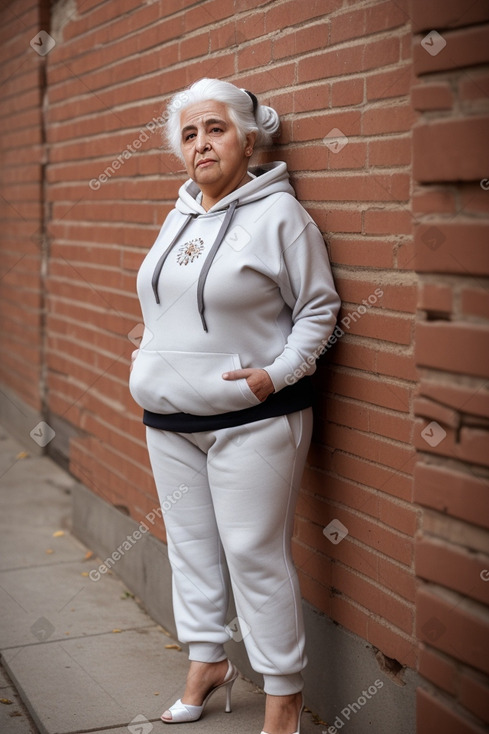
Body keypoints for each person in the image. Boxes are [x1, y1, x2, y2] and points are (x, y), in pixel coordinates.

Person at [129, 78, 341, 734]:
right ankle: (206, 663)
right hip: (168, 420)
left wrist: (276, 375)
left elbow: (319, 310)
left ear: (249, 138)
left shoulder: (281, 217)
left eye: (214, 129)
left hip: (252, 419)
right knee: (190, 546)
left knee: (253, 552)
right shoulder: (178, 215)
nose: (200, 145)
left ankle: (284, 697)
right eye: (188, 134)